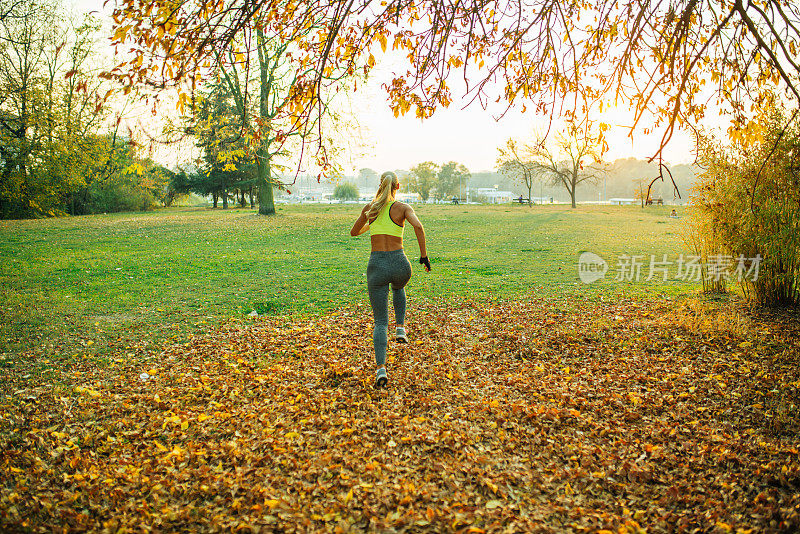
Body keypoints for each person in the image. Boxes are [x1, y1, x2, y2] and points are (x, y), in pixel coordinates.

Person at [350, 171, 430, 388]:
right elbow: (418, 227)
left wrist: (370, 223)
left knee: (380, 322)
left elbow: (354, 232)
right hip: (400, 264)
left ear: (380, 185)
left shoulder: (370, 208)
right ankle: (401, 328)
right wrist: (423, 256)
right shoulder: (403, 208)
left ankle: (381, 369)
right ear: (398, 186)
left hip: (377, 266)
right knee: (398, 287)